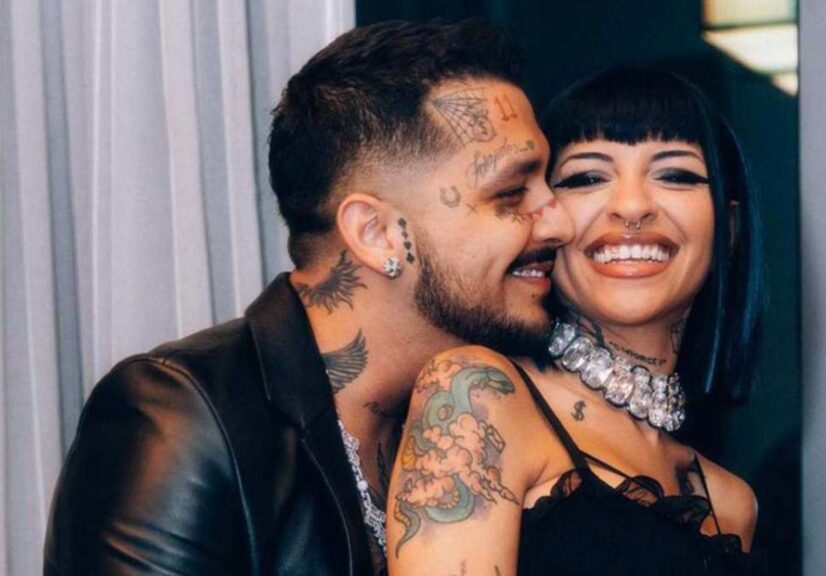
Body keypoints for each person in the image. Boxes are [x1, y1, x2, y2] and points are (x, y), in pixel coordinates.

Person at [44, 19, 573, 576]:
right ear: (377, 234)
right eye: (510, 193)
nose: (560, 222)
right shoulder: (181, 415)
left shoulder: (487, 408)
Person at [386, 65, 767, 575]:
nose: (631, 207)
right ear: (542, 216)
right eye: (587, 178)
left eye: (675, 175)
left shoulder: (731, 503)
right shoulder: (475, 395)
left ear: (730, 229)